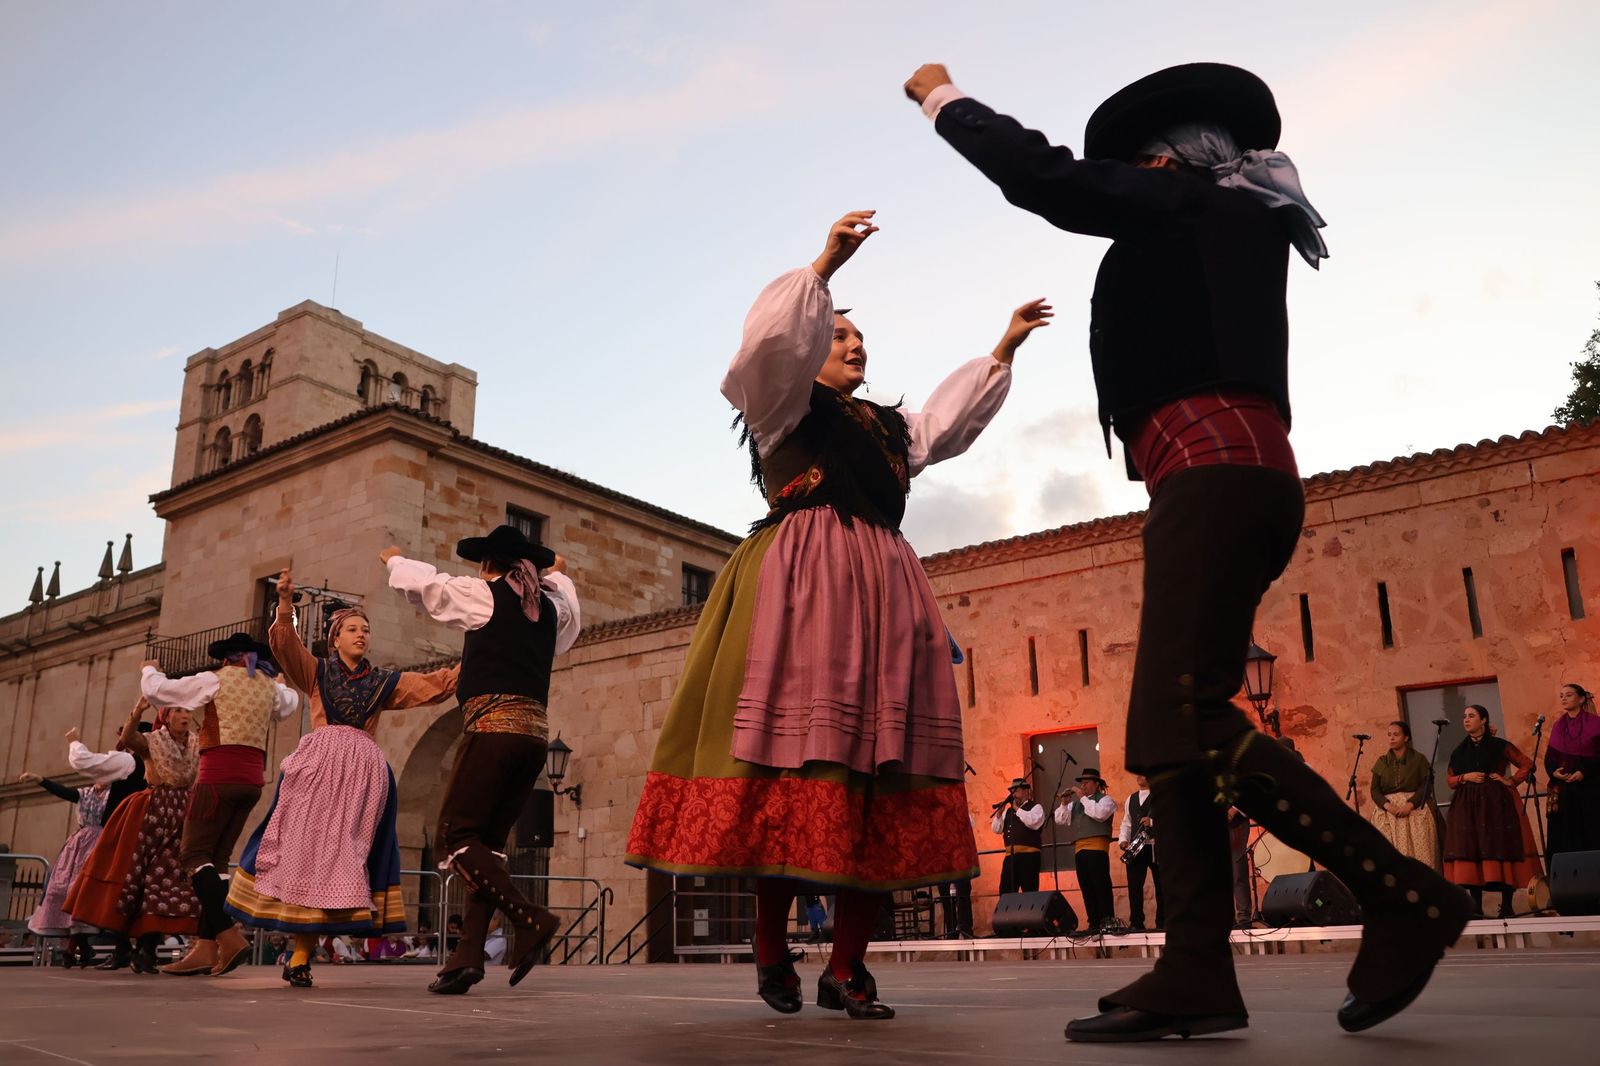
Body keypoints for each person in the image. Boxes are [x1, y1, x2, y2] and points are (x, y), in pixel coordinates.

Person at [905, 61, 1471, 1042]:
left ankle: (1400, 894)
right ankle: (1197, 968)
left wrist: (942, 99)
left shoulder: (1189, 205)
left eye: (1137, 164)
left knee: (1178, 725)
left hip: (1216, 475)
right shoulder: (1225, 218)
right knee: (1178, 736)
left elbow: (1047, 181)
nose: (1131, 175)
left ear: (1167, 158)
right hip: (1219, 478)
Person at [626, 211, 1043, 1022]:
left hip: (886, 588)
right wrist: (823, 266)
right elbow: (770, 346)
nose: (855, 345)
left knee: (877, 777)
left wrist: (1004, 348)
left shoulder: (890, 431)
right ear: (810, 345)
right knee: (798, 770)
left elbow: (946, 425)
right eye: (839, 334)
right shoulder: (783, 407)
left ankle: (848, 966)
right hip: (804, 585)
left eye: (861, 339)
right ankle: (772, 946)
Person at [224, 569, 460, 990]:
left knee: (341, 860)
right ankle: (298, 955)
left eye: (366, 629)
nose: (361, 635)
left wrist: (473, 662)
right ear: (335, 638)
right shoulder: (316, 672)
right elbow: (285, 646)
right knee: (305, 856)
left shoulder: (381, 682)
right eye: (352, 629)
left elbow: (428, 687)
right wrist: (283, 604)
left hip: (361, 777)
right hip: (318, 770)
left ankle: (300, 955)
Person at [384, 524, 580, 996]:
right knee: (488, 845)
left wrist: (393, 559)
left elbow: (430, 586)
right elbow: (568, 602)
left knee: (454, 836)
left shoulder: (485, 594)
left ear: (488, 564)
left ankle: (528, 918)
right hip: (533, 738)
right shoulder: (552, 607)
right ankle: (467, 956)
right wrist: (558, 575)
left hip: (493, 730)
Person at [139, 635, 300, 976]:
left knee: (193, 855)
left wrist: (149, 670)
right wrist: (281, 684)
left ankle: (228, 936)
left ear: (226, 659)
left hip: (217, 779)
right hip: (252, 782)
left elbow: (161, 693)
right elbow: (289, 703)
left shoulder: (216, 679)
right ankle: (206, 947)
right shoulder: (269, 686)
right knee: (217, 860)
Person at [64, 696, 202, 973]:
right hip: (149, 813)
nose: (184, 715)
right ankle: (123, 948)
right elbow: (129, 738)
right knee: (130, 876)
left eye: (187, 710)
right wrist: (137, 711)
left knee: (164, 883)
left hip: (181, 815)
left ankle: (147, 951)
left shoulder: (196, 743)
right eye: (177, 710)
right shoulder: (152, 741)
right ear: (167, 715)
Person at [19, 728, 134, 966]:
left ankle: (76, 948)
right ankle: (78, 947)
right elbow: (63, 792)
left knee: (81, 891)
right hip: (77, 845)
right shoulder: (85, 794)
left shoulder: (115, 794)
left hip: (100, 843)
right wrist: (40, 779)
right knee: (60, 891)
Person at [1443, 704, 1542, 917]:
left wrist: (1511, 780)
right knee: (1472, 848)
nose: (1466, 720)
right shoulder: (1459, 750)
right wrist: (1465, 777)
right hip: (1466, 806)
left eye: (1471, 716)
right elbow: (1450, 780)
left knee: (1501, 847)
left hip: (1496, 804)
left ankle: (1506, 905)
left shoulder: (1499, 745)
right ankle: (1475, 906)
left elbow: (1527, 764)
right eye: (1464, 716)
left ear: (1484, 720)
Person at [1368, 720, 1439, 868]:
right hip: (1388, 814)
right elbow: (1374, 790)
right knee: (1390, 858)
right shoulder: (1382, 762)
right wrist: (1388, 806)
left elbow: (1427, 785)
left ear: (1406, 738)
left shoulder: (1419, 759)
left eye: (1396, 734)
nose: (1391, 738)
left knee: (1421, 855)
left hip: (1414, 811)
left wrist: (1410, 804)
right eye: (1389, 735)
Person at [1056, 769, 1117, 930]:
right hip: (1080, 850)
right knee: (1087, 887)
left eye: (1087, 782)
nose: (1083, 785)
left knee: (1101, 885)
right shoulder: (1076, 804)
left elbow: (1099, 814)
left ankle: (1107, 920)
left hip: (1097, 849)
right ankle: (1094, 921)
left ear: (1097, 784)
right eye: (1081, 782)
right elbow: (1059, 819)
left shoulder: (1105, 800)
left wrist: (1082, 797)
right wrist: (1063, 803)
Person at [1547, 683, 1600, 859]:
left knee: (1591, 833)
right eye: (1561, 695)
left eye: (1568, 695)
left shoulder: (1595, 724)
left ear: (1582, 698)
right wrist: (1554, 771)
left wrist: (1584, 772)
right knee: (1564, 835)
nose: (1563, 698)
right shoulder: (1558, 726)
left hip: (1589, 789)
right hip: (1564, 791)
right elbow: (1550, 756)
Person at [1119, 775, 1164, 932]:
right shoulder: (1130, 799)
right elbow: (1126, 822)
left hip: (1156, 845)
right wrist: (1123, 840)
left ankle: (1163, 922)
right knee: (1134, 886)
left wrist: (1152, 822)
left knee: (1162, 885)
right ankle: (1136, 922)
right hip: (1136, 846)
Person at [993, 779, 1047, 894]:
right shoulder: (1008, 811)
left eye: (1016, 791)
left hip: (1029, 857)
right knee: (1006, 893)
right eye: (1012, 792)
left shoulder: (1036, 807)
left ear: (1026, 791)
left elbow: (1033, 822)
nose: (1014, 794)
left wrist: (1017, 809)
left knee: (1029, 893)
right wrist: (998, 815)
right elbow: (996, 829)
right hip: (1010, 858)